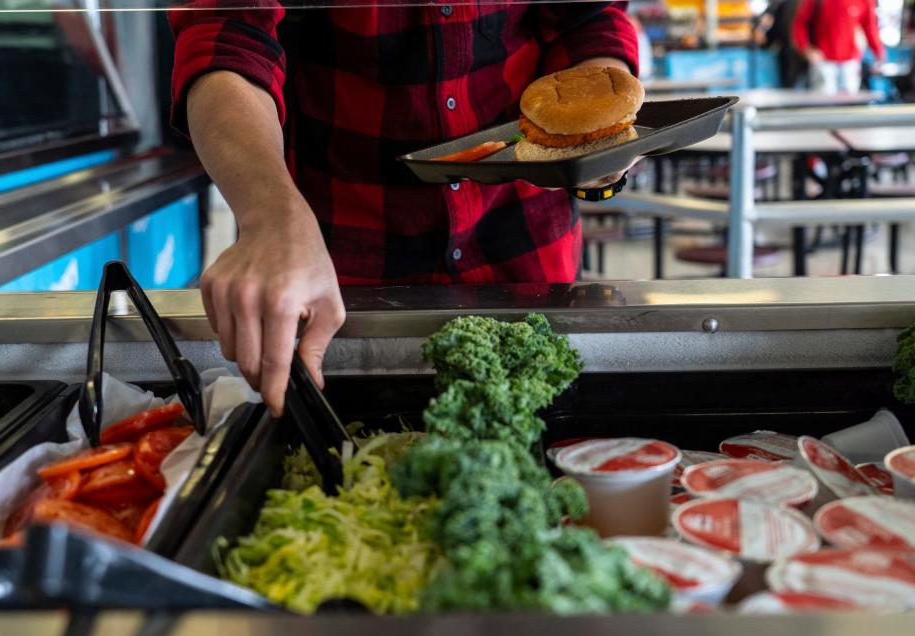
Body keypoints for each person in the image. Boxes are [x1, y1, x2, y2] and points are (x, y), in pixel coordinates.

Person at [169, 2, 639, 416]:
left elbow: (585, 18)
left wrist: (597, 130)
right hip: (341, 272)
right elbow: (224, 37)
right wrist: (271, 216)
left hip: (525, 244)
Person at [791, 0, 885, 94]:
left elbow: (870, 27)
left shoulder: (864, 1)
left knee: (849, 103)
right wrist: (806, 49)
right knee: (824, 102)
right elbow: (799, 23)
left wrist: (878, 52)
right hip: (823, 61)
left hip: (850, 62)